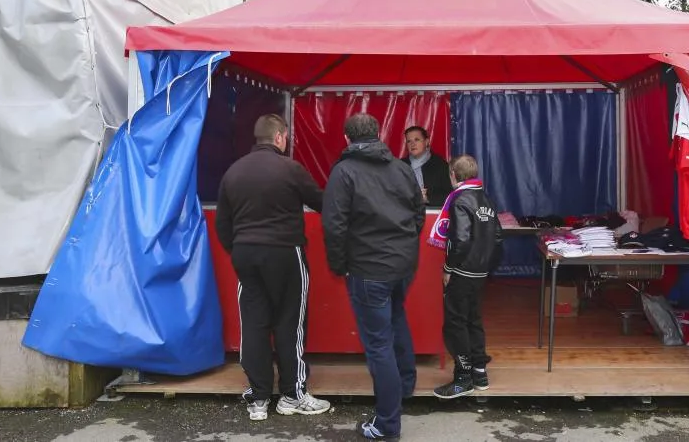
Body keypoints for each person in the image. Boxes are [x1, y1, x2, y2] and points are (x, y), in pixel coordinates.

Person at [215, 113, 331, 422]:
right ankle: (292, 395)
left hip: (245, 254)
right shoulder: (290, 169)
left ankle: (259, 398)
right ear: (279, 137)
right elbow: (323, 203)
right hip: (284, 252)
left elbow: (222, 223)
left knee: (254, 324)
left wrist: (238, 249)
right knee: (290, 322)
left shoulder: (234, 171)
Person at [322, 113, 425, 441]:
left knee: (379, 344)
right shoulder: (401, 168)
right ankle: (404, 386)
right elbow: (418, 213)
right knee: (396, 320)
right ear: (378, 133)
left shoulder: (344, 172)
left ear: (347, 138)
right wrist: (405, 248)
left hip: (368, 269)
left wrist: (339, 265)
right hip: (402, 265)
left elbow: (334, 225)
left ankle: (387, 424)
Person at [432, 155, 504, 399]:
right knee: (474, 320)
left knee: (455, 323)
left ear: (453, 174)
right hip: (480, 272)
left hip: (462, 271)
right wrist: (486, 265)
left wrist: (448, 268)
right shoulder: (486, 199)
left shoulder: (459, 199)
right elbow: (498, 238)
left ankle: (463, 378)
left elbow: (460, 240)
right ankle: (479, 373)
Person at [401, 125, 453, 207]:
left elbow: (451, 195)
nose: (412, 144)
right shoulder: (400, 166)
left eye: (416, 139)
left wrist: (427, 199)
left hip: (432, 212)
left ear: (427, 142)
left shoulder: (440, 165)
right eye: (409, 141)